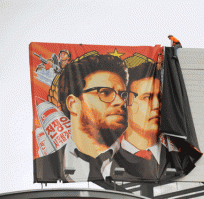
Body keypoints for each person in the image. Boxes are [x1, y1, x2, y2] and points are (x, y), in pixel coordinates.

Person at [34, 52, 137, 182]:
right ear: (73, 104)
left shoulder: (145, 169)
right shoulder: (44, 168)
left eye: (123, 95)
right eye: (105, 92)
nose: (121, 102)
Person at [112, 62, 181, 180]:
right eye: (147, 97)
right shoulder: (105, 160)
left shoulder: (178, 158)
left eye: (159, 98)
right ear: (125, 103)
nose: (156, 105)